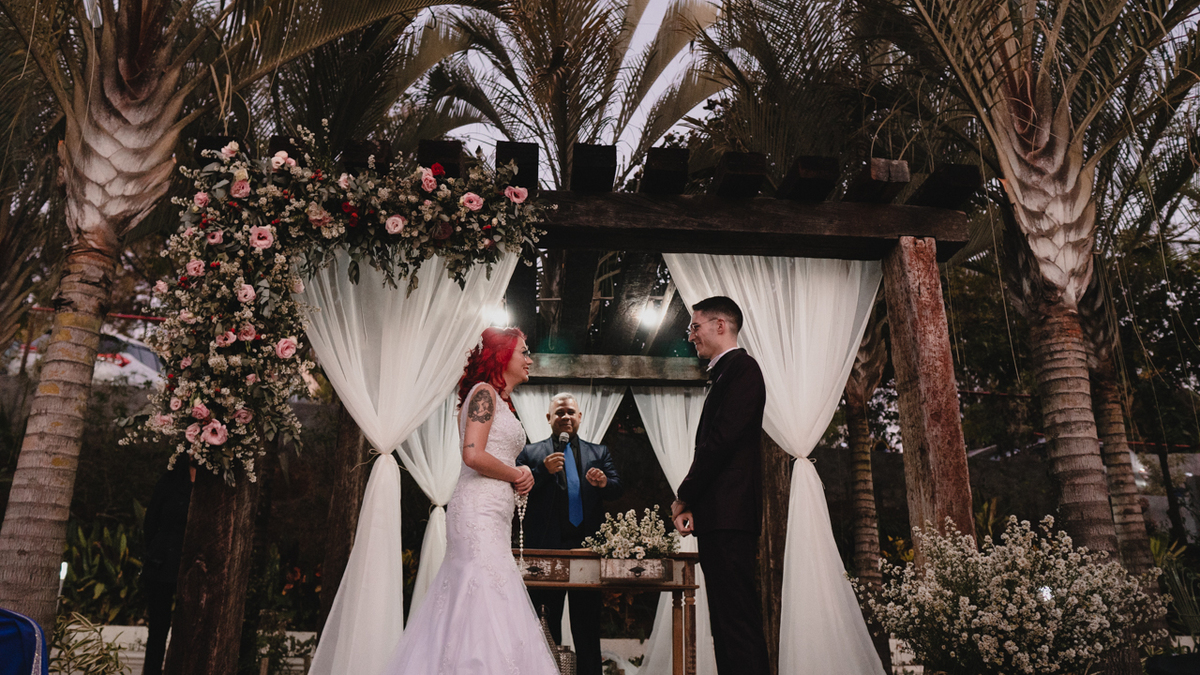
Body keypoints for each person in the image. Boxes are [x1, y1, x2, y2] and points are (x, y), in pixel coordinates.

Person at [382, 327, 559, 675]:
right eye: (524, 352)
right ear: (503, 356)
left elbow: (493, 454)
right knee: (483, 593)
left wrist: (520, 474)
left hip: (492, 514)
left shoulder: (498, 400)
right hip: (477, 514)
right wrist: (517, 474)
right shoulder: (483, 393)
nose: (529, 359)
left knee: (482, 596)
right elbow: (473, 454)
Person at [671, 296, 770, 675]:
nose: (690, 335)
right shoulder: (726, 374)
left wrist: (684, 496)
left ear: (720, 325)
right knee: (725, 624)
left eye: (695, 327)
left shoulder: (744, 370)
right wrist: (696, 505)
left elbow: (720, 442)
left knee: (737, 622)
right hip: (719, 517)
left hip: (731, 517)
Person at [516, 394, 624, 675]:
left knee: (587, 629)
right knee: (545, 630)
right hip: (546, 552)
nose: (566, 417)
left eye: (571, 412)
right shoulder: (530, 453)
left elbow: (617, 488)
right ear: (549, 418)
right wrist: (542, 471)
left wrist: (604, 482)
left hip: (586, 551)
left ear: (580, 417)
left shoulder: (598, 452)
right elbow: (517, 490)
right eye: (560, 412)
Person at [141, 461, 194, 675]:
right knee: (158, 629)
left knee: (189, 629)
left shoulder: (213, 482)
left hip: (195, 566)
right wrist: (156, 552)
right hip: (162, 564)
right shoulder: (170, 480)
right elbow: (150, 522)